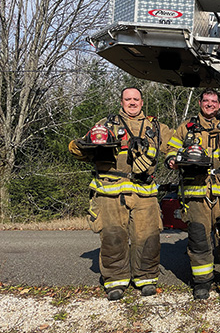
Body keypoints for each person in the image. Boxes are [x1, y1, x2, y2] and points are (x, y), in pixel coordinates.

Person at [68, 87, 173, 300]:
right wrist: (82, 145)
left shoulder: (155, 127)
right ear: (121, 102)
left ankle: (146, 279)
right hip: (110, 192)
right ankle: (115, 281)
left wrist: (174, 158)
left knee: (148, 238)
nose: (132, 103)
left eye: (136, 99)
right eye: (128, 99)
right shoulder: (106, 125)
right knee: (113, 237)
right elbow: (79, 149)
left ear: (142, 102)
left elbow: (176, 145)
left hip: (144, 192)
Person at [166, 88, 220, 300]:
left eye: (214, 101)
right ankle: (202, 282)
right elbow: (171, 149)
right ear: (200, 103)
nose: (210, 104)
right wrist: (172, 160)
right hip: (196, 196)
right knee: (199, 241)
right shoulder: (186, 128)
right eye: (206, 101)